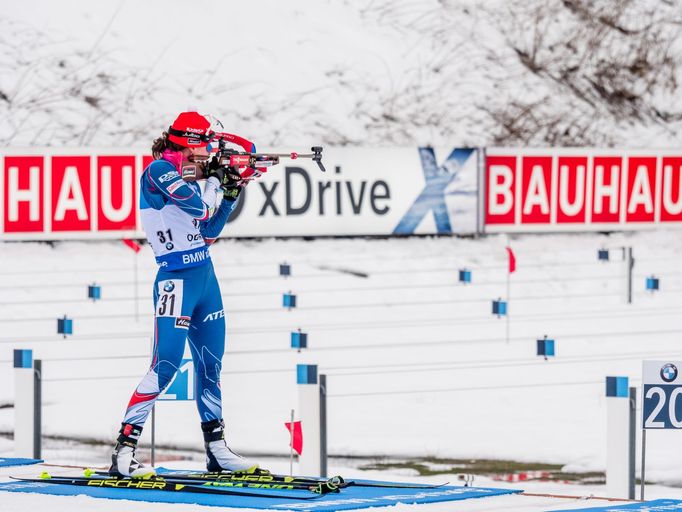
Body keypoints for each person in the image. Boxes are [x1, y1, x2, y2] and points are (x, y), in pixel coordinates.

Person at [109, 111, 257, 478]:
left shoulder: (195, 174)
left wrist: (231, 193)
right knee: (166, 367)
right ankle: (124, 451)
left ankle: (217, 449)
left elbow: (208, 229)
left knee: (211, 366)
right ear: (189, 144)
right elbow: (198, 205)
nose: (206, 156)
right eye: (202, 148)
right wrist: (217, 184)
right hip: (175, 279)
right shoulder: (159, 171)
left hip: (204, 276)